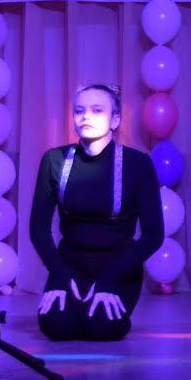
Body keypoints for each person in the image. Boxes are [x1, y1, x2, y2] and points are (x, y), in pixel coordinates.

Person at [31, 85, 164, 340]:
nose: (86, 117)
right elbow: (38, 229)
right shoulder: (54, 160)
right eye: (79, 110)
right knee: (57, 327)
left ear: (115, 120)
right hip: (70, 265)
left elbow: (153, 235)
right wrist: (59, 274)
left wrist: (110, 279)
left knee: (101, 327)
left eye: (96, 110)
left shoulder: (138, 164)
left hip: (119, 266)